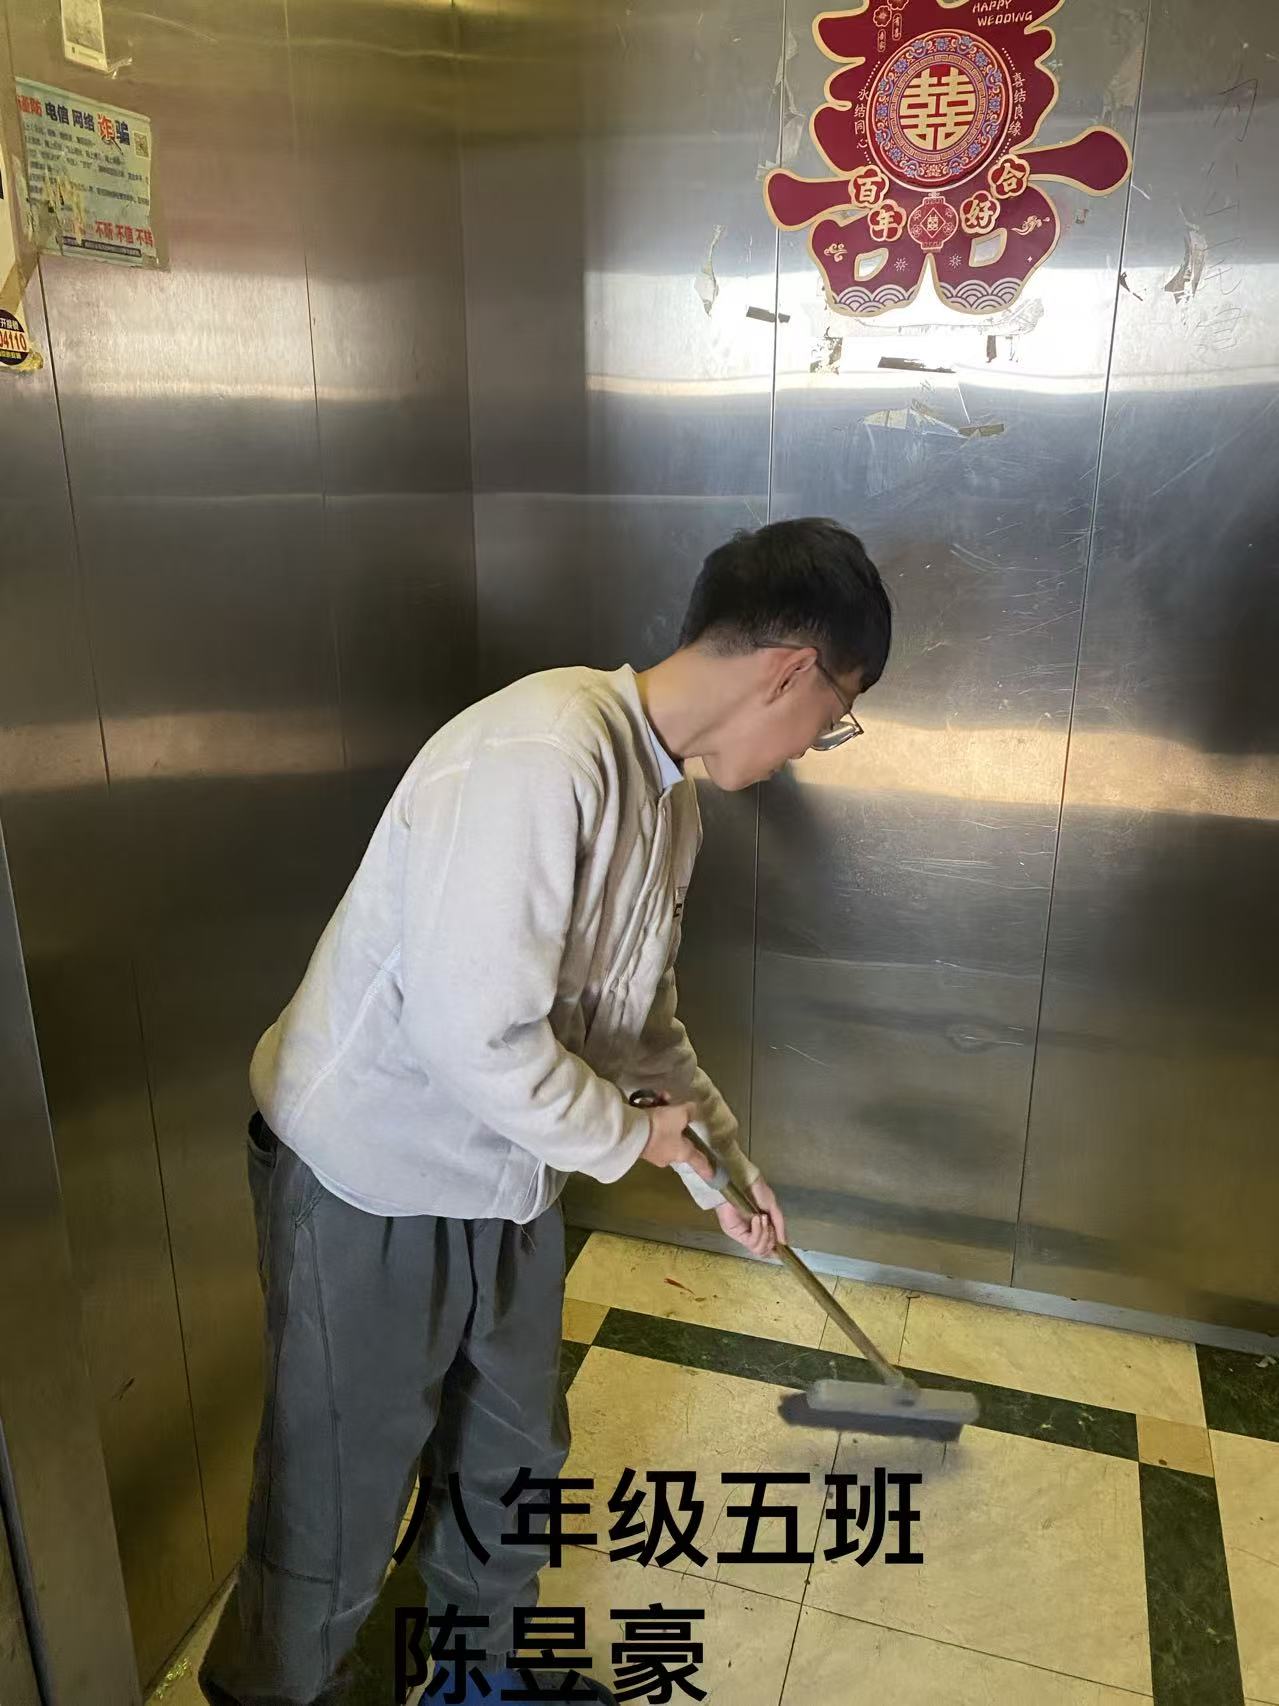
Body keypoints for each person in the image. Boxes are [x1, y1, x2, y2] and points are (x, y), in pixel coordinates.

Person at [200, 516, 892, 1706]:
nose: (808, 747)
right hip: (371, 1170)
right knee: (338, 1488)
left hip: (507, 1170)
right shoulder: (543, 753)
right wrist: (631, 1136)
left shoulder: (669, 802)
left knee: (512, 1448)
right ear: (790, 670)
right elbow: (468, 1033)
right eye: (832, 718)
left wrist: (719, 1165)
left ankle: (480, 1674)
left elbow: (637, 1027)